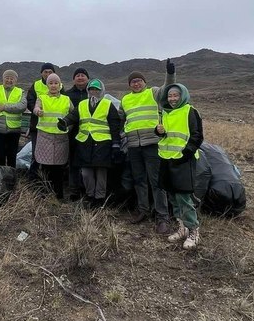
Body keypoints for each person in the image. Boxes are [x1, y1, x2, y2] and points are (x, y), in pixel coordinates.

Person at [119, 59, 176, 232]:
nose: (136, 83)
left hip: (152, 143)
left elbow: (168, 88)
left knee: (156, 182)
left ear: (145, 82)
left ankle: (162, 217)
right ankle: (143, 210)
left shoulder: (153, 93)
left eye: (139, 80)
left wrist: (170, 73)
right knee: (139, 180)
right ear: (129, 85)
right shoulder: (125, 99)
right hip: (134, 145)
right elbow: (121, 119)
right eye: (133, 81)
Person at [59, 79, 122, 208]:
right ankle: (89, 196)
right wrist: (64, 122)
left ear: (101, 91)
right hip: (84, 144)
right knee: (86, 173)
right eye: (91, 89)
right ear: (88, 91)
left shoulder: (108, 104)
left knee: (101, 174)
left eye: (96, 90)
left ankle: (99, 199)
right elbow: (73, 116)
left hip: (103, 144)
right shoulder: (82, 104)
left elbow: (115, 125)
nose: (94, 92)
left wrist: (116, 144)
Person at [155, 83, 203, 249]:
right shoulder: (166, 112)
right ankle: (181, 227)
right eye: (170, 96)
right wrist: (159, 131)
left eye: (176, 95)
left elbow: (197, 136)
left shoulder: (190, 111)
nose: (173, 99)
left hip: (183, 160)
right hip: (167, 158)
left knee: (183, 197)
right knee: (173, 196)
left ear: (183, 96)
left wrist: (185, 154)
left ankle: (193, 230)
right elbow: (167, 133)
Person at [32, 73, 72, 198]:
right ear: (47, 85)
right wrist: (38, 111)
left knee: (59, 168)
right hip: (45, 136)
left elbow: (73, 115)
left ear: (60, 85)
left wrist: (69, 127)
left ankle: (59, 194)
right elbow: (36, 108)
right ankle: (45, 193)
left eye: (56, 83)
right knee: (45, 166)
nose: (53, 85)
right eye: (51, 83)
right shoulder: (42, 97)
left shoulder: (66, 99)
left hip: (61, 137)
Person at [25, 63, 61, 179]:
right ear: (41, 73)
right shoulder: (36, 85)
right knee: (36, 154)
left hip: (55, 128)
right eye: (45, 72)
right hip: (37, 126)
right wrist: (37, 110)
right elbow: (30, 101)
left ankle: (48, 179)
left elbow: (65, 102)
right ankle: (33, 178)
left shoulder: (60, 86)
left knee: (52, 155)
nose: (47, 74)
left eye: (50, 71)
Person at [0, 69, 27, 167]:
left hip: (14, 130)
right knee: (0, 157)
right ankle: (0, 179)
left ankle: (11, 180)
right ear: (3, 79)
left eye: (12, 78)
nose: (9, 80)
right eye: (7, 78)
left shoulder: (20, 91)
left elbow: (22, 106)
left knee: (12, 157)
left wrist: (5, 107)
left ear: (15, 80)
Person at [64, 67, 90, 200]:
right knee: (73, 162)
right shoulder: (67, 95)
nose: (80, 77)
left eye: (83, 75)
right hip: (72, 133)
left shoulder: (93, 94)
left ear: (88, 78)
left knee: (86, 162)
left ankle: (87, 189)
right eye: (77, 75)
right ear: (74, 79)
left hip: (90, 134)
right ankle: (74, 190)